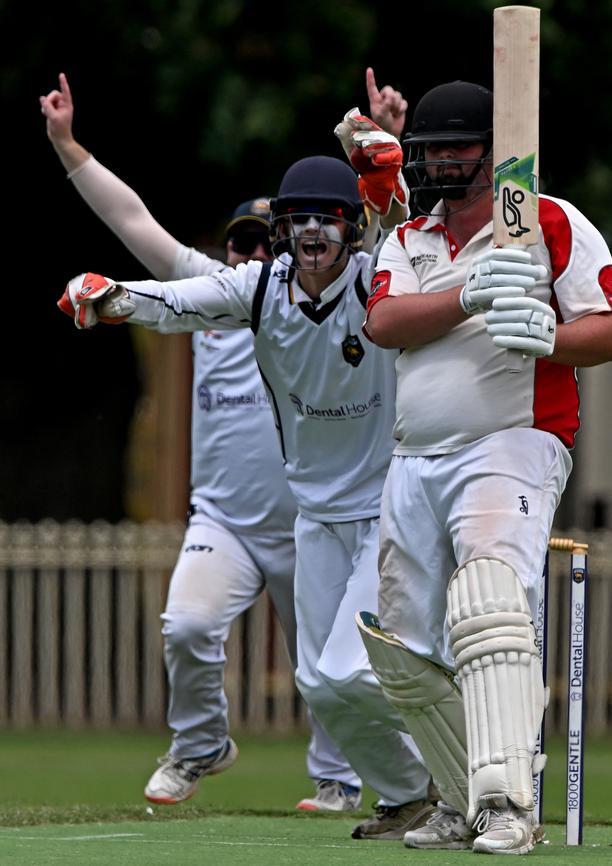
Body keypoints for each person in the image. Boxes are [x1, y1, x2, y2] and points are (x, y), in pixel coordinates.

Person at [54, 75, 447, 841]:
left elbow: (409, 230)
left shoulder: (381, 281)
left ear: (350, 228)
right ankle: (409, 795)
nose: (311, 236)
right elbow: (176, 302)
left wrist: (385, 164)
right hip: (314, 516)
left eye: (328, 221)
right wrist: (110, 298)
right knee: (319, 683)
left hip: (384, 508)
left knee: (343, 671)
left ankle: (453, 781)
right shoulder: (259, 289)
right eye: (299, 221)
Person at [360, 80, 612, 854]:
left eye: (456, 148)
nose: (441, 161)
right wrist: (470, 294)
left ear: (492, 151)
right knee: (408, 647)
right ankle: (455, 798)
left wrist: (547, 334)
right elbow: (383, 323)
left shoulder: (549, 221)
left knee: (489, 604)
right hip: (415, 455)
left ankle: (508, 805)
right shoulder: (409, 237)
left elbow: (607, 333)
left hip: (514, 437)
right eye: (430, 150)